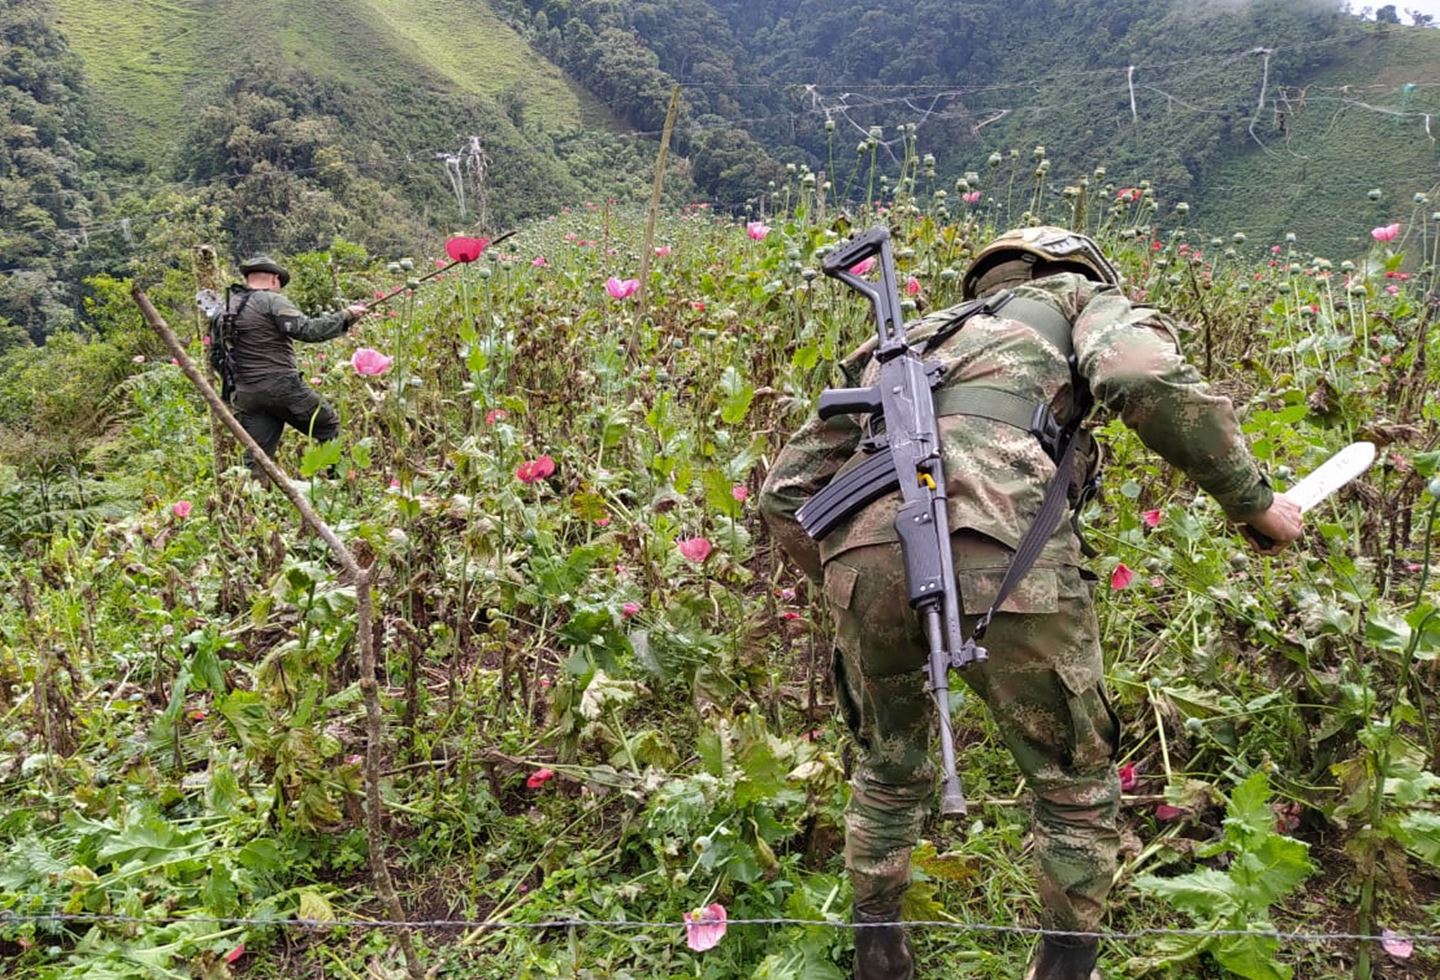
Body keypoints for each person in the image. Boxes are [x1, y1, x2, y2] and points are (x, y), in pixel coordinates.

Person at [759, 226, 1303, 980]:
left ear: (984, 277)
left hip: (864, 563)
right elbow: (1141, 374)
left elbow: (785, 495)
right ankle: (1064, 969)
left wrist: (849, 582)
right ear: (1076, 268)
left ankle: (878, 957)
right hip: (1010, 557)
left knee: (886, 771)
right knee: (1073, 786)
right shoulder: (1079, 300)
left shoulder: (911, 336)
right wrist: (1254, 503)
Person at [210, 255, 368, 478]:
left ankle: (249, 497)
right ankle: (338, 484)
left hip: (246, 394)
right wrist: (346, 316)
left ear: (248, 279)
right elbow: (308, 330)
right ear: (274, 279)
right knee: (327, 424)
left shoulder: (224, 308)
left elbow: (215, 354)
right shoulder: (271, 301)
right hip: (281, 387)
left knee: (257, 458)